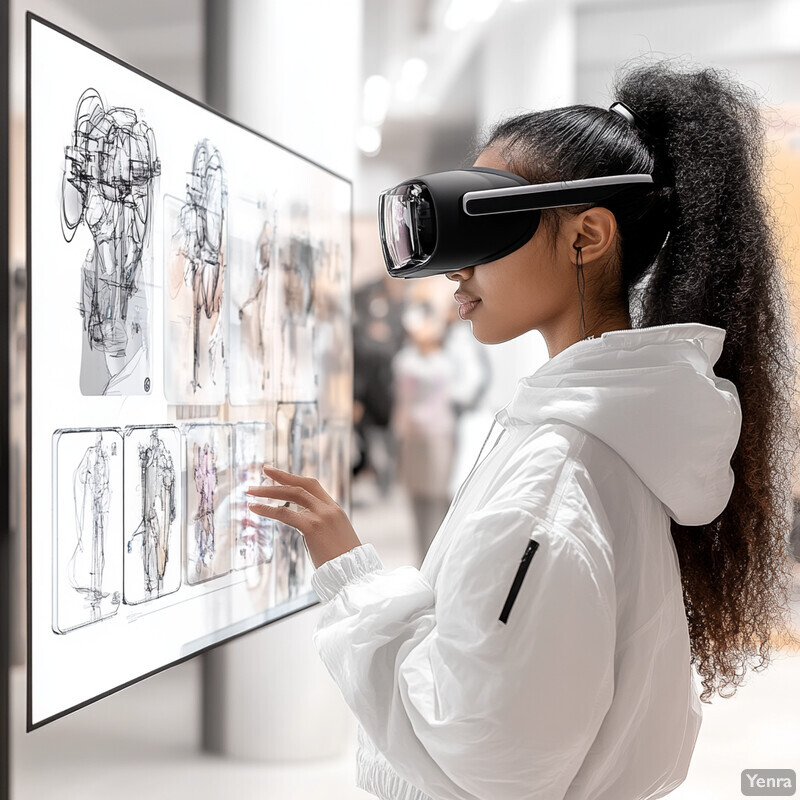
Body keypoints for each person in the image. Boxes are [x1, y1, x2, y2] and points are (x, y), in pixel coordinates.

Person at [247, 58, 800, 800]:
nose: (455, 270)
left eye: (487, 220)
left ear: (585, 238)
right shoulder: (612, 432)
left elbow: (488, 758)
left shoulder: (554, 481)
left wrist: (351, 579)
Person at [391, 300, 457, 562]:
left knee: (440, 499)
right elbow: (403, 400)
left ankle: (438, 558)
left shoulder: (443, 361)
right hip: (414, 437)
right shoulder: (406, 361)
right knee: (417, 499)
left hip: (439, 436)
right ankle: (424, 559)